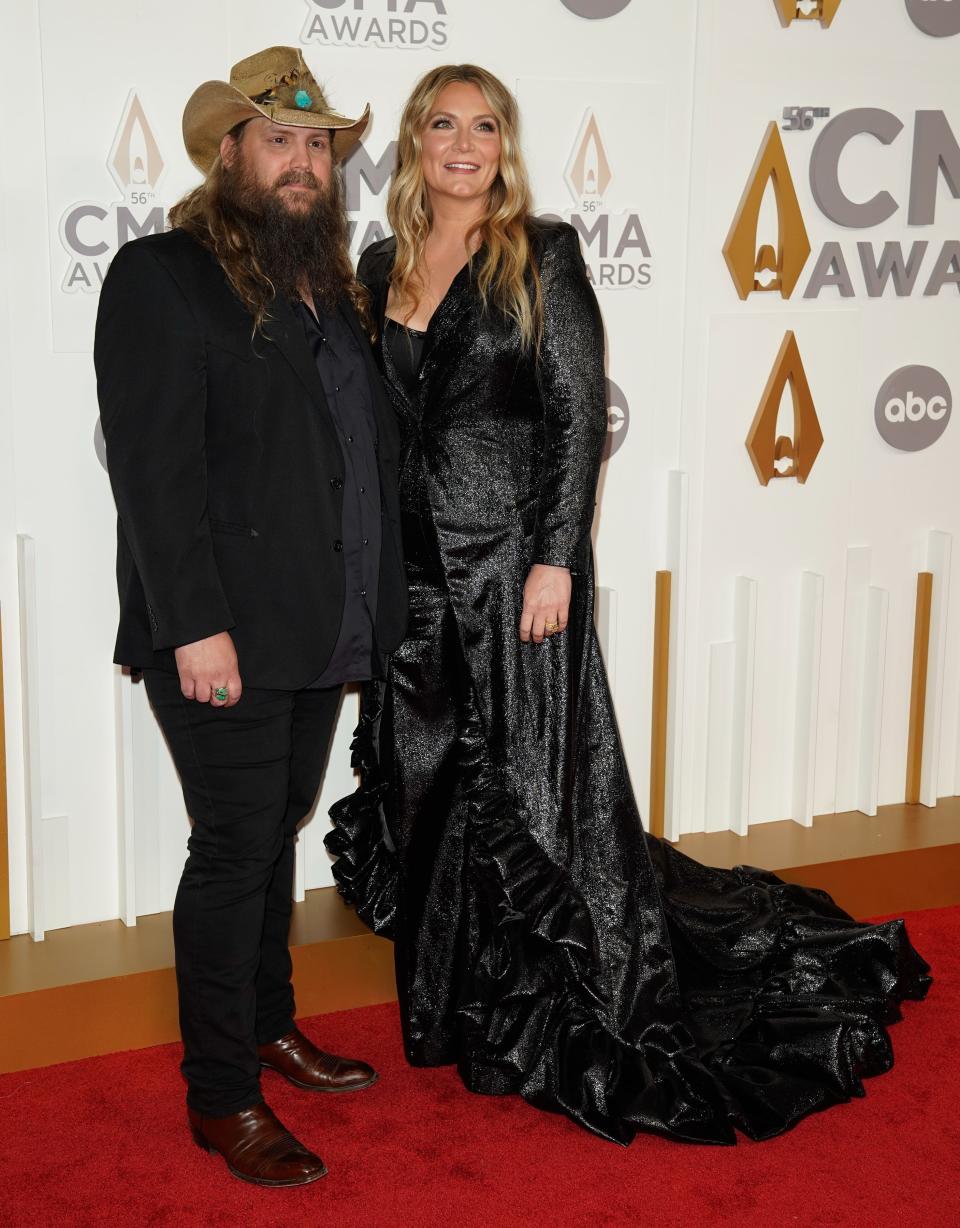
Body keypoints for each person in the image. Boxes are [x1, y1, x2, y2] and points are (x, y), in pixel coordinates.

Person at [326, 64, 932, 1146]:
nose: (463, 145)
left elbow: (575, 414)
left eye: (484, 127)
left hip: (517, 574)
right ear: (414, 144)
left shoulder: (540, 253)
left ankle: (560, 1000)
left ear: (504, 146)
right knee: (424, 799)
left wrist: (558, 557)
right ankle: (449, 1009)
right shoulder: (377, 265)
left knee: (532, 795)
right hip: (411, 581)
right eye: (442, 125)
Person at [94, 47, 407, 1186]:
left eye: (320, 145)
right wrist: (193, 627)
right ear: (229, 151)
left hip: (319, 629)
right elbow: (153, 472)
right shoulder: (162, 275)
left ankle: (270, 1025)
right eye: (281, 140)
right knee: (232, 852)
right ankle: (220, 1092)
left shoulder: (332, 285)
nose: (305, 163)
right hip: (221, 631)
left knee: (269, 832)